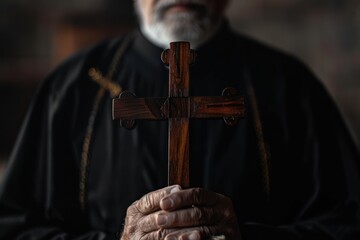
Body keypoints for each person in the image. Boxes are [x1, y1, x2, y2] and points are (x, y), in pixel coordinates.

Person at [0, 0, 359, 239]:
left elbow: (348, 221)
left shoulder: (288, 85)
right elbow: (14, 226)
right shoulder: (73, 86)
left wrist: (247, 236)